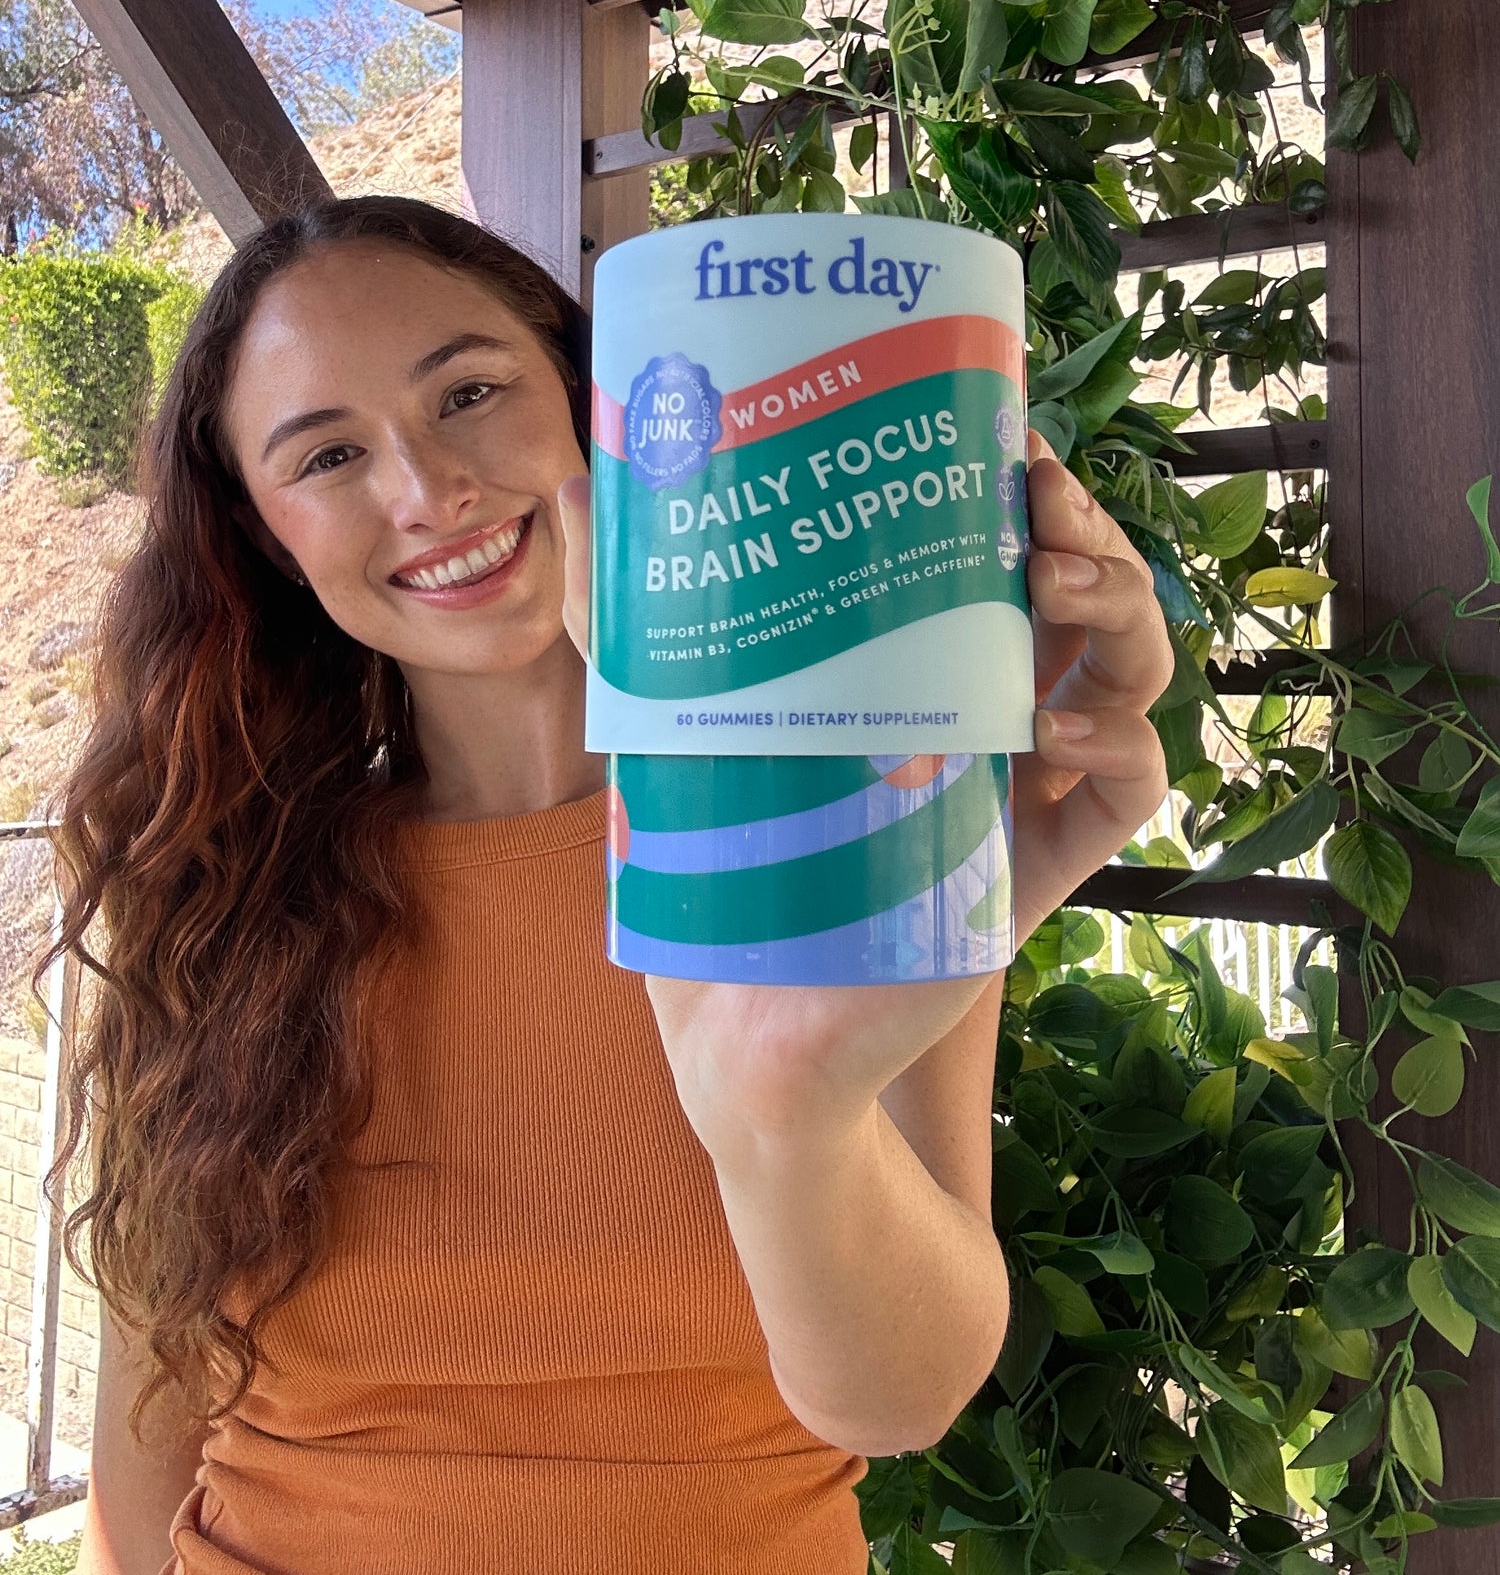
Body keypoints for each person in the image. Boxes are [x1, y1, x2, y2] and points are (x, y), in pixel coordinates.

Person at [48, 195, 1173, 1574]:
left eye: (468, 391)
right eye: (329, 453)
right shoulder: (222, 891)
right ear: (269, 538)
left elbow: (899, 1397)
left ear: (607, 404)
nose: (423, 488)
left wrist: (786, 1118)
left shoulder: (845, 822)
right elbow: (147, 1428)